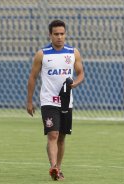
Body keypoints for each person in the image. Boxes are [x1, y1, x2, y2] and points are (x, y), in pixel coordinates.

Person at [26, 20, 84, 181]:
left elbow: (80, 74)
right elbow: (32, 77)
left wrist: (74, 84)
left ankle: (58, 167)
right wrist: (29, 101)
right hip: (48, 101)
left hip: (66, 102)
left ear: (65, 34)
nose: (59, 37)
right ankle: (53, 167)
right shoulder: (42, 54)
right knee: (53, 134)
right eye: (56, 34)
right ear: (50, 35)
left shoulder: (73, 53)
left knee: (62, 137)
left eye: (62, 34)